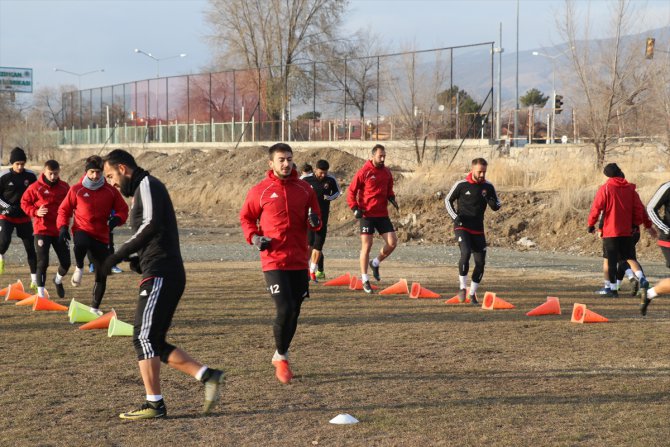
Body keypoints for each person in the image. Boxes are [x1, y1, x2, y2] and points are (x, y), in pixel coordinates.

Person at [101, 149, 225, 419]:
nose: (110, 182)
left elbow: (151, 225)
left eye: (110, 175)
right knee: (153, 340)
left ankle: (154, 404)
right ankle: (207, 376)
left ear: (123, 168)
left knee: (142, 337)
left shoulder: (147, 184)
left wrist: (118, 254)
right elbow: (151, 235)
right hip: (161, 270)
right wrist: (136, 260)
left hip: (162, 272)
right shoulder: (140, 193)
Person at [240, 143, 321, 384]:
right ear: (271, 164)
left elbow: (315, 221)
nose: (286, 164)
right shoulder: (260, 191)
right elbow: (246, 218)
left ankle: (280, 353)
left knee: (295, 310)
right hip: (273, 260)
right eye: (281, 160)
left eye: (289, 159)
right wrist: (254, 237)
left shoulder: (305, 189)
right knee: (284, 308)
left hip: (298, 259)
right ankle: (282, 357)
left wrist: (315, 221)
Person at [57, 156, 129, 314]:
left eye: (98, 172)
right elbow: (64, 210)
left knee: (102, 274)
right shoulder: (76, 190)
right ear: (86, 172)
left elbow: (123, 210)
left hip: (102, 236)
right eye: (92, 172)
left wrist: (116, 219)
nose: (95, 176)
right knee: (81, 243)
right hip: (82, 229)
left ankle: (94, 309)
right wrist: (63, 227)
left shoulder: (110, 191)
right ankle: (80, 267)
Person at [587, 163, 655, 298]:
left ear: (607, 175)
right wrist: (638, 224)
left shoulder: (605, 188)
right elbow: (639, 209)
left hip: (610, 230)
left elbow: (596, 208)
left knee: (610, 260)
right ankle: (642, 279)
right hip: (627, 231)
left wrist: (591, 224)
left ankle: (612, 290)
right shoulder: (631, 189)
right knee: (629, 257)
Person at [445, 158, 501, 304]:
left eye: (484, 172)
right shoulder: (461, 185)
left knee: (480, 263)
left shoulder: (488, 186)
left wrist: (493, 202)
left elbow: (497, 204)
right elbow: (447, 200)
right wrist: (455, 217)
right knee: (465, 252)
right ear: (472, 169)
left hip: (478, 229)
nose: (482, 175)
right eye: (479, 172)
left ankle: (472, 294)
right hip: (462, 225)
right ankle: (462, 288)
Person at [346, 144, 398, 293]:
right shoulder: (364, 172)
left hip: (382, 214)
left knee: (393, 243)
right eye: (380, 156)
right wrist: (355, 207)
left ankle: (375, 263)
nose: (382, 158)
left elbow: (389, 189)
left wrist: (391, 197)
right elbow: (351, 191)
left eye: (384, 156)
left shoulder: (387, 172)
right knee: (367, 245)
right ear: (373, 156)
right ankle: (365, 279)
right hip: (367, 214)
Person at [20, 160, 70, 299]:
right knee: (43, 262)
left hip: (59, 229)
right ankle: (41, 295)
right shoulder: (35, 187)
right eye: (50, 173)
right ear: (44, 172)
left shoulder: (65, 187)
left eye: (55, 173)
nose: (53, 176)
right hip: (42, 230)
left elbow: (72, 204)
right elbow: (24, 203)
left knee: (66, 263)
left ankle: (57, 280)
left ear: (59, 172)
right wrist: (35, 211)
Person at [0, 147, 38, 289]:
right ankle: (1, 255)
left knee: (30, 249)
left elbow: (36, 195)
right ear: (12, 163)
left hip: (24, 217)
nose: (20, 167)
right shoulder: (4, 176)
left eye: (22, 163)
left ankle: (34, 280)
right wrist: (7, 207)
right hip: (6, 216)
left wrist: (34, 209)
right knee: (4, 241)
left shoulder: (31, 176)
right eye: (17, 164)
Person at [301, 159, 341, 281]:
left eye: (325, 172)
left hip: (323, 218)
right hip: (308, 217)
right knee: (309, 245)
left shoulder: (330, 180)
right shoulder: (305, 179)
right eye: (321, 172)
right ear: (315, 169)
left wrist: (329, 197)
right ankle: (304, 269)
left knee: (318, 245)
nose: (323, 175)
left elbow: (338, 192)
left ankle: (312, 271)